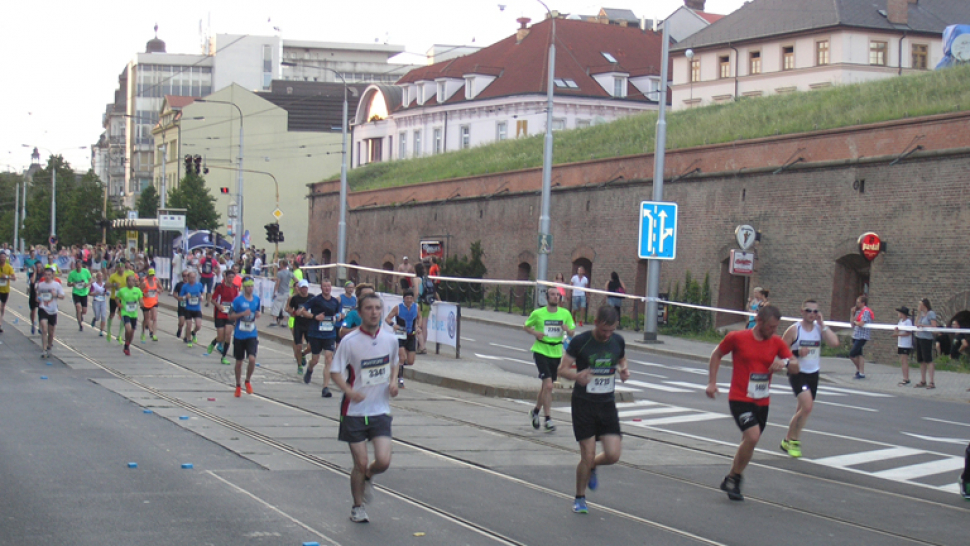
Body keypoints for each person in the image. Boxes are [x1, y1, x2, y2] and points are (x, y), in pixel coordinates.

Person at [707, 305, 797, 501]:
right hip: (740, 398)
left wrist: (785, 363)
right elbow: (716, 354)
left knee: (748, 442)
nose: (774, 331)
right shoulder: (737, 338)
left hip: (762, 401)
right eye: (771, 327)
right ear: (759, 321)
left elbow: (795, 365)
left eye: (776, 328)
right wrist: (712, 382)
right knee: (753, 436)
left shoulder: (776, 342)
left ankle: (731, 479)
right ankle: (736, 478)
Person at [329, 293, 400, 523]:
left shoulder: (390, 339)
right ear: (359, 313)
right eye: (368, 308)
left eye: (378, 308)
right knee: (359, 462)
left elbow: (395, 363)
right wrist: (349, 391)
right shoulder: (350, 342)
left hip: (379, 408)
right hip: (354, 411)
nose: (374, 312)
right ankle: (358, 507)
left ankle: (369, 475)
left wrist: (393, 381)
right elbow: (335, 371)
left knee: (383, 461)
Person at [556, 306, 629, 514]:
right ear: (596, 322)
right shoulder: (581, 341)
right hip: (584, 404)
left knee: (613, 455)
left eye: (611, 330)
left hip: (606, 404)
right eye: (604, 330)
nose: (607, 335)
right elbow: (562, 369)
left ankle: (593, 466)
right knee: (587, 454)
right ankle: (579, 497)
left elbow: (621, 358)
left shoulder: (617, 341)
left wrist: (624, 370)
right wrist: (576, 376)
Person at [779, 299, 839, 458]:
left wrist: (823, 325)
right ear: (802, 311)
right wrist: (797, 353)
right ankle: (794, 441)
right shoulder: (794, 330)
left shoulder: (819, 329)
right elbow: (781, 350)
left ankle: (786, 440)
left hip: (813, 373)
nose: (812, 314)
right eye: (808, 310)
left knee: (802, 410)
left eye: (815, 311)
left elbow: (835, 343)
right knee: (807, 407)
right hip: (797, 371)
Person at [524, 286, 575, 432]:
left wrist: (567, 330)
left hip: (556, 352)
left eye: (557, 295)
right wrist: (536, 333)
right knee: (549, 386)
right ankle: (548, 419)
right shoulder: (538, 313)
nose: (555, 297)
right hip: (541, 350)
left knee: (546, 387)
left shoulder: (565, 314)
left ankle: (535, 412)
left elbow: (572, 332)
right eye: (552, 295)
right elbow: (526, 326)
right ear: (546, 298)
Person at [300, 278, 341, 398]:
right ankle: (310, 368)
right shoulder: (315, 300)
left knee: (329, 359)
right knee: (315, 359)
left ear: (331, 288)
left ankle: (325, 387)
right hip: (316, 333)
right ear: (321, 288)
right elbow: (303, 311)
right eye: (325, 286)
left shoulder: (335, 301)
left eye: (329, 286)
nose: (327, 289)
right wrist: (315, 317)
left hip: (329, 334)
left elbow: (339, 313)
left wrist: (338, 316)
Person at [229, 277, 261, 398]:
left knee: (252, 359)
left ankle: (247, 381)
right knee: (239, 362)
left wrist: (258, 314)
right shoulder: (238, 301)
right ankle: (238, 385)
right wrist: (242, 314)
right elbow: (230, 316)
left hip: (251, 333)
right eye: (248, 286)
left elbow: (257, 311)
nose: (250, 288)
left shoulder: (256, 299)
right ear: (244, 287)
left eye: (252, 286)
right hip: (239, 334)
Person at [385, 290, 421, 388]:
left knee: (410, 361)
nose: (409, 300)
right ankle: (400, 379)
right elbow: (387, 318)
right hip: (400, 335)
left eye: (411, 298)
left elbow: (419, 318)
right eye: (407, 298)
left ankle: (396, 365)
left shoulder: (416, 307)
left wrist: (418, 327)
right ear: (404, 299)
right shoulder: (398, 308)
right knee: (402, 357)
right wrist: (393, 324)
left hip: (411, 335)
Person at [208, 270, 239, 365]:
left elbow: (236, 301)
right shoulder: (220, 287)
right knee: (221, 337)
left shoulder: (235, 288)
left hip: (229, 313)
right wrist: (218, 306)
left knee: (228, 335)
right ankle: (214, 343)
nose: (230, 279)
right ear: (225, 277)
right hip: (220, 314)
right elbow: (212, 299)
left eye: (232, 277)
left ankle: (224, 356)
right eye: (229, 277)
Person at [36, 266, 66, 358]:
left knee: (51, 331)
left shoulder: (56, 285)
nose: (47, 276)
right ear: (44, 275)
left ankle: (49, 346)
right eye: (46, 275)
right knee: (44, 329)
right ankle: (44, 349)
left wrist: (56, 295)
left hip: (53, 310)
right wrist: (38, 299)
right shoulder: (41, 285)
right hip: (43, 308)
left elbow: (62, 296)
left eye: (49, 275)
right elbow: (37, 297)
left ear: (52, 275)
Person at [287, 280, 313, 375]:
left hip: (309, 324)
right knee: (298, 346)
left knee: (311, 347)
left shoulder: (312, 297)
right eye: (303, 288)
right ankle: (299, 366)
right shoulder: (295, 298)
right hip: (298, 324)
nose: (304, 290)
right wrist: (294, 313)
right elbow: (289, 308)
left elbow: (317, 308)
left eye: (306, 288)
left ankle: (302, 354)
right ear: (300, 288)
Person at [115, 275, 144, 357]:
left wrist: (142, 304)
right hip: (125, 313)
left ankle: (127, 346)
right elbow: (117, 298)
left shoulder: (137, 290)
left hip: (134, 314)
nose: (132, 282)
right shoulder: (122, 290)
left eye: (133, 281)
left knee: (132, 333)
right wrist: (119, 305)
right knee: (128, 329)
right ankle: (126, 345)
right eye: (131, 281)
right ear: (127, 282)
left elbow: (141, 300)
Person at [107, 261, 134, 343]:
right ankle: (108, 331)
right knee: (112, 314)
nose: (121, 269)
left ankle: (119, 335)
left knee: (122, 316)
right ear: (117, 268)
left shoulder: (127, 276)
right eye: (119, 268)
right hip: (114, 297)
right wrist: (114, 285)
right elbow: (106, 285)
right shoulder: (113, 276)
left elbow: (132, 284)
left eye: (122, 268)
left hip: (123, 299)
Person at [914, 298, 938, 389]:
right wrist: (918, 314)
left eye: (920, 305)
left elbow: (934, 326)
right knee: (921, 360)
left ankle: (931, 381)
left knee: (928, 359)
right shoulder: (921, 315)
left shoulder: (930, 313)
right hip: (919, 337)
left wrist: (923, 326)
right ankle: (923, 380)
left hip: (926, 338)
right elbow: (916, 323)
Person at [848, 294, 873, 379]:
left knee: (852, 354)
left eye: (858, 302)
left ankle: (860, 370)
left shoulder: (866, 311)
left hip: (862, 336)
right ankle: (861, 372)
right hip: (856, 335)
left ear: (863, 303)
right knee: (859, 354)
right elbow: (852, 324)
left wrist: (856, 323)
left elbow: (861, 323)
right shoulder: (858, 312)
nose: (857, 304)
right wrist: (852, 314)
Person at [415, 263, 437, 354]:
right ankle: (423, 345)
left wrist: (412, 301)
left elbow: (416, 292)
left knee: (417, 325)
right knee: (424, 326)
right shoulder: (426, 279)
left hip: (419, 303)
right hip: (427, 303)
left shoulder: (416, 279)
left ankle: (420, 346)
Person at [179, 271, 205, 347]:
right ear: (188, 278)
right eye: (191, 277)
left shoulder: (199, 285)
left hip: (197, 308)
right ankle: (189, 340)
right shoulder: (185, 286)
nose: (192, 279)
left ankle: (193, 332)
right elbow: (180, 297)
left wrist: (202, 297)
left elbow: (202, 292)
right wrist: (185, 297)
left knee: (198, 325)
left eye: (194, 277)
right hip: (188, 308)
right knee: (189, 324)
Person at [67, 258, 92, 332]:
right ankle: (80, 324)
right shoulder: (72, 273)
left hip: (84, 293)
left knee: (84, 311)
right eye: (77, 266)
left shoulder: (86, 271)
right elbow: (68, 283)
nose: (78, 267)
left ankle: (80, 315)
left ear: (81, 265)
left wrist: (87, 284)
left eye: (79, 265)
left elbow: (90, 279)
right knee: (78, 307)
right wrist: (72, 284)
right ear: (75, 266)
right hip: (76, 293)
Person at [892, 307, 915, 386]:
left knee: (904, 360)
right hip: (901, 343)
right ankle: (904, 377)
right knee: (902, 361)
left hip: (906, 343)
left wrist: (898, 334)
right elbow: (898, 329)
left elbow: (908, 333)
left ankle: (906, 378)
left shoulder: (908, 322)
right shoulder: (900, 321)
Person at [140, 268, 160, 342]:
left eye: (153, 275)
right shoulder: (144, 283)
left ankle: (154, 334)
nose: (151, 276)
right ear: (148, 275)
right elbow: (139, 291)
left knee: (154, 318)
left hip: (154, 302)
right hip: (146, 303)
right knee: (146, 319)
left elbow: (161, 289)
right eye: (150, 275)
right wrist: (144, 294)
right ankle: (143, 333)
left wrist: (159, 291)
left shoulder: (156, 281)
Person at [271, 260, 293, 327]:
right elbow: (296, 279)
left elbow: (278, 283)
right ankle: (285, 322)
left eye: (280, 264)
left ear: (282, 265)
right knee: (285, 306)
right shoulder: (290, 273)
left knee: (276, 306)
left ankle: (274, 321)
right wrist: (293, 286)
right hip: (287, 291)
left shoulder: (279, 273)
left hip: (281, 292)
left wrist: (275, 292)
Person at [0, 251, 16, 334]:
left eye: (4, 257)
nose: (2, 258)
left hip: (5, 290)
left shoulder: (8, 267)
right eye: (1, 257)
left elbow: (14, 278)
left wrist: (6, 277)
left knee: (2, 307)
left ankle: (0, 323)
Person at [27, 262, 44, 335]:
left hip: (41, 295)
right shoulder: (32, 274)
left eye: (40, 267)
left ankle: (40, 326)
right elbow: (32, 281)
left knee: (41, 311)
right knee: (33, 311)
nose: (38, 268)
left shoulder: (43, 275)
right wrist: (35, 272)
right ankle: (33, 324)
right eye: (37, 267)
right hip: (33, 294)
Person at [89, 272, 108, 337]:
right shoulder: (94, 285)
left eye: (101, 276)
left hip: (103, 301)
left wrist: (106, 293)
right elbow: (90, 293)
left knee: (103, 316)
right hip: (96, 301)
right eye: (99, 276)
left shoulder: (104, 284)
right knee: (97, 316)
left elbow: (106, 291)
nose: (100, 278)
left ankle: (101, 331)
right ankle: (95, 319)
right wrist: (95, 293)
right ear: (96, 277)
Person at [172, 270, 189, 338]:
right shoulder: (179, 284)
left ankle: (186, 336)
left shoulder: (191, 285)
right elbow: (174, 293)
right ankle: (180, 329)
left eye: (187, 275)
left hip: (189, 306)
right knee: (181, 323)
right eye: (184, 276)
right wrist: (178, 298)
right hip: (181, 306)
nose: (186, 277)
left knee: (188, 323)